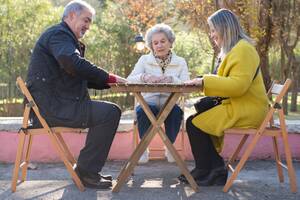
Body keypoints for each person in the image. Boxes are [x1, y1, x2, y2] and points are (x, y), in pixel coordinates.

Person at [26, 0, 127, 189]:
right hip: (52, 108)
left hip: (54, 104)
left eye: (90, 22)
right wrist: (110, 78)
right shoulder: (59, 35)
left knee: (109, 111)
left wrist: (109, 83)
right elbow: (73, 63)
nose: (88, 26)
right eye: (86, 20)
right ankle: (86, 173)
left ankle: (86, 170)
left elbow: (75, 74)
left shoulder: (61, 37)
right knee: (110, 113)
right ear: (71, 15)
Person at [179, 9, 269, 186]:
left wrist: (204, 81)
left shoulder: (244, 50)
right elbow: (227, 82)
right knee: (195, 120)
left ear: (224, 28)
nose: (212, 35)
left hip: (247, 109)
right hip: (239, 105)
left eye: (213, 30)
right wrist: (204, 82)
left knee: (194, 124)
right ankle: (208, 169)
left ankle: (213, 169)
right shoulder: (234, 49)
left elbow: (238, 86)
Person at [127, 23, 190, 163]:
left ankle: (170, 147)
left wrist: (172, 79)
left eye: (163, 41)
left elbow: (187, 85)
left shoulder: (180, 62)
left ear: (170, 42)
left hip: (171, 103)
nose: (159, 45)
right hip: (148, 102)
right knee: (143, 111)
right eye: (155, 43)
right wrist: (144, 77)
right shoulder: (144, 60)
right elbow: (129, 80)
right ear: (151, 45)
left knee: (175, 112)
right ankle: (143, 148)